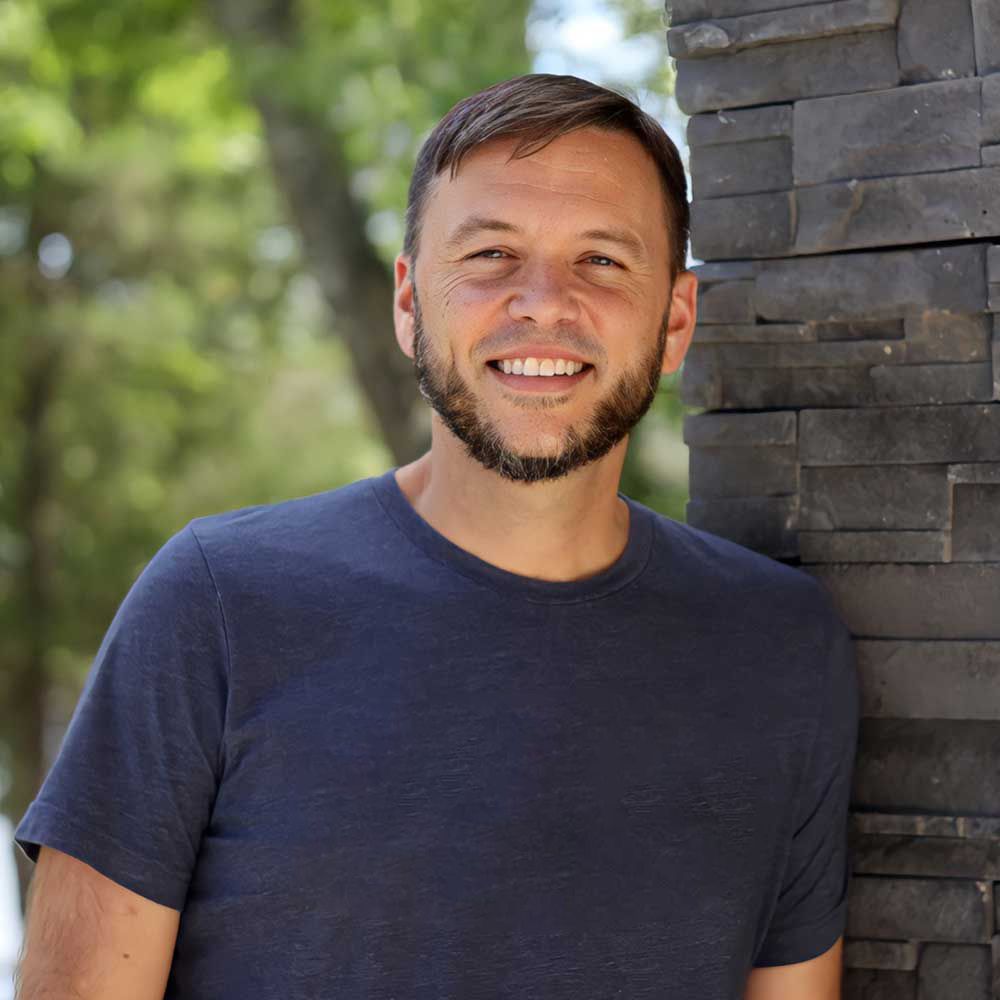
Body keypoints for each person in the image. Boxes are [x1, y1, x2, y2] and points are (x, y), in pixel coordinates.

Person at [12, 74, 859, 999]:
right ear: (410, 302)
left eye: (602, 260)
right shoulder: (216, 604)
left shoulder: (781, 647)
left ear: (675, 323)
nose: (544, 302)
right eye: (491, 254)